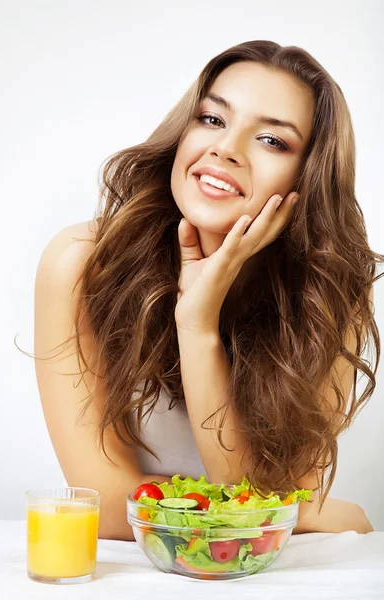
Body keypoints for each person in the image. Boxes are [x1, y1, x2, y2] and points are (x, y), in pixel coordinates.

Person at [33, 40, 382, 540]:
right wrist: (301, 512)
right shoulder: (82, 263)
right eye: (213, 120)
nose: (224, 149)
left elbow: (264, 520)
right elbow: (108, 509)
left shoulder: (331, 293)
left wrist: (197, 327)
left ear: (308, 175)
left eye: (272, 141)